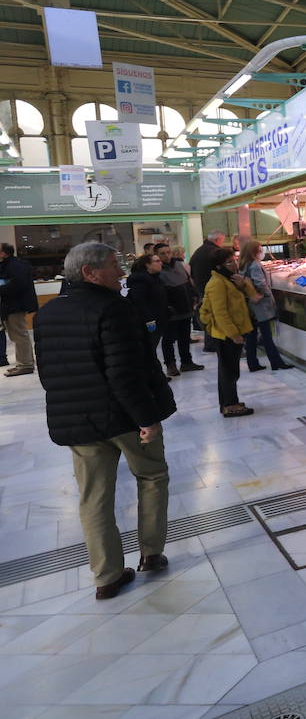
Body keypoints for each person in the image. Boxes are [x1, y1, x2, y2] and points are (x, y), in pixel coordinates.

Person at [34, 242, 175, 600]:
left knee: (93, 497)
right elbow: (125, 373)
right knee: (152, 474)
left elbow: (49, 374)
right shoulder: (114, 309)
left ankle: (107, 576)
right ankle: (151, 552)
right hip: (124, 417)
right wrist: (147, 419)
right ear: (89, 272)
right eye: (114, 265)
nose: (121, 272)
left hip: (78, 420)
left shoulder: (48, 314)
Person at [199, 248, 256, 417]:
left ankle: (229, 402)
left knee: (230, 370)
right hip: (225, 335)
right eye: (229, 262)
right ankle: (229, 405)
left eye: (234, 260)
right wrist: (234, 334)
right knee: (228, 371)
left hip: (235, 330)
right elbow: (220, 313)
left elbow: (252, 296)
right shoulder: (217, 283)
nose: (234, 264)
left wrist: (243, 284)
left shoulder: (229, 279)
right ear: (218, 266)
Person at [239, 239, 293, 372]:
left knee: (251, 336)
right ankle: (276, 362)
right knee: (266, 335)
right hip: (260, 306)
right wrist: (267, 295)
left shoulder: (242, 265)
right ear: (254, 251)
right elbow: (260, 283)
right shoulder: (255, 265)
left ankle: (253, 363)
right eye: (260, 250)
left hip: (250, 305)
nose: (261, 252)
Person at [155, 243, 202, 376]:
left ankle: (187, 362)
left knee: (184, 337)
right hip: (170, 313)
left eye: (168, 252)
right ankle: (171, 365)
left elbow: (188, 282)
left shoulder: (179, 265)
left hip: (186, 308)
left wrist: (194, 296)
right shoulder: (157, 270)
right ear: (157, 255)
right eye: (162, 253)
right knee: (168, 339)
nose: (166, 255)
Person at [0, 242, 38, 376]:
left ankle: (26, 365)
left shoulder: (15, 266)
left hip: (16, 305)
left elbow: (17, 285)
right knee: (15, 335)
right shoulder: (8, 265)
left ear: (4, 253)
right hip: (10, 305)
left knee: (19, 334)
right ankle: (22, 363)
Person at [124, 254, 167, 369]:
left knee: (152, 346)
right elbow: (140, 302)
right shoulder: (140, 280)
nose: (160, 263)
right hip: (148, 321)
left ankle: (154, 373)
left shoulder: (155, 278)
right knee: (149, 347)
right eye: (157, 261)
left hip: (157, 318)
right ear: (147, 265)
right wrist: (150, 321)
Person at [188, 230, 226, 298]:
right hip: (213, 287)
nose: (222, 243)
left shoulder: (199, 250)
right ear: (217, 240)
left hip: (199, 286)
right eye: (222, 241)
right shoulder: (216, 252)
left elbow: (190, 267)